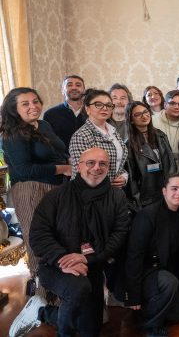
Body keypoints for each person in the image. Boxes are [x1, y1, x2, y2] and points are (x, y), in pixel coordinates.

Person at [11, 147, 129, 337]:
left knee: (90, 329)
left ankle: (43, 312)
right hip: (55, 265)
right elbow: (39, 235)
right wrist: (63, 259)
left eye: (103, 164)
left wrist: (87, 259)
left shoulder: (117, 197)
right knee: (78, 287)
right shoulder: (56, 196)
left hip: (92, 265)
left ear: (108, 168)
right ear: (78, 166)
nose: (96, 168)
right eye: (90, 163)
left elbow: (119, 234)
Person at [0, 87, 70, 295]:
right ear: (13, 109)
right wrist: (63, 168)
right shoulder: (12, 133)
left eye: (36, 101)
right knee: (38, 241)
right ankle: (42, 295)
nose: (33, 106)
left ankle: (63, 292)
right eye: (25, 103)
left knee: (60, 238)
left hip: (57, 188)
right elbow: (24, 169)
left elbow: (58, 152)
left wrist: (70, 162)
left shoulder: (44, 125)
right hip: (30, 190)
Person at [125, 173, 179, 336]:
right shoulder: (147, 215)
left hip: (163, 269)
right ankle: (150, 326)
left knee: (177, 315)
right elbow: (134, 256)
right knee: (170, 283)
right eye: (174, 189)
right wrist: (133, 295)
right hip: (145, 271)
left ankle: (149, 310)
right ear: (164, 191)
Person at [69, 89, 128, 187]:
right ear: (87, 109)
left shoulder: (113, 131)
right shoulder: (81, 136)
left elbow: (118, 162)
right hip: (90, 193)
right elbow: (81, 174)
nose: (105, 108)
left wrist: (124, 176)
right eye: (98, 104)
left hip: (114, 192)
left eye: (108, 105)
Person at [126, 101, 177, 208]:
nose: (144, 116)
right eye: (138, 114)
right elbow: (131, 178)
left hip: (167, 191)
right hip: (147, 197)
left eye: (145, 112)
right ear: (131, 120)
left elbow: (171, 162)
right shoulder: (129, 144)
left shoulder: (160, 135)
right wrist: (137, 202)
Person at [43, 74, 87, 149]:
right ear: (62, 90)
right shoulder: (50, 114)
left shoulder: (93, 112)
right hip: (62, 156)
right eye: (69, 85)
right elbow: (49, 143)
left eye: (78, 85)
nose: (74, 88)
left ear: (84, 90)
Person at [152, 90, 179, 165]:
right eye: (172, 103)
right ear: (165, 105)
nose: (176, 107)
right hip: (160, 164)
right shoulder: (152, 121)